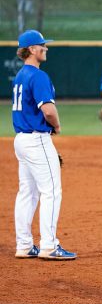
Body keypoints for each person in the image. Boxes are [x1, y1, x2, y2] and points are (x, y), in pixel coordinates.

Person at [12, 30, 76, 260]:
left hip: (21, 140)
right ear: (31, 50)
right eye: (42, 45)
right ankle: (49, 245)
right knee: (51, 191)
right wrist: (57, 127)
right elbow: (48, 110)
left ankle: (24, 244)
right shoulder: (37, 76)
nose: (46, 48)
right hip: (37, 138)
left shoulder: (20, 75)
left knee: (27, 193)